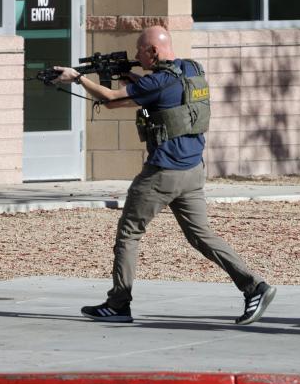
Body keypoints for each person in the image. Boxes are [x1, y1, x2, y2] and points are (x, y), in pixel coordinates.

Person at [53, 26, 276, 325]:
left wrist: (78, 78)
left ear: (153, 52)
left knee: (129, 232)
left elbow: (110, 99)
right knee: (202, 236)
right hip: (193, 171)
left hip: (163, 173)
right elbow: (153, 106)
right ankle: (255, 287)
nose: (136, 56)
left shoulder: (157, 81)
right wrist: (133, 81)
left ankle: (119, 304)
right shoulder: (190, 70)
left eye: (139, 51)